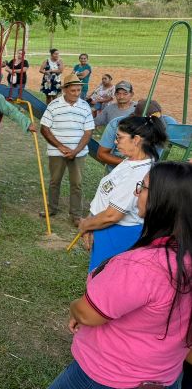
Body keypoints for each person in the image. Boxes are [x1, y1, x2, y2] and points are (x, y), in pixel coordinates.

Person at [49, 162, 192, 389]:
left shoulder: (141, 266)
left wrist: (77, 307)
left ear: (162, 201)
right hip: (166, 376)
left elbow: (87, 314)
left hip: (108, 375)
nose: (137, 193)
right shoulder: (182, 256)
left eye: (142, 187)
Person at [78, 115, 167, 271]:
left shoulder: (138, 174)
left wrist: (85, 224)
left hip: (117, 234)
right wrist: (92, 222)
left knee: (105, 281)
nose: (115, 141)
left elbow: (112, 215)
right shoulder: (130, 161)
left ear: (136, 140)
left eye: (119, 138)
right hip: (104, 228)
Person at [40, 74, 94, 226]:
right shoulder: (54, 105)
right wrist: (60, 146)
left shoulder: (84, 106)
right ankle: (51, 208)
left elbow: (88, 131)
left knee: (77, 183)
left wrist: (76, 150)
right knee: (54, 181)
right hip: (57, 152)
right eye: (73, 91)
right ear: (65, 90)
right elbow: (44, 128)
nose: (76, 94)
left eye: (79, 90)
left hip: (79, 153)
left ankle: (76, 215)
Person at [98, 100, 178, 173]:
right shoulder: (116, 124)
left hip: (147, 175)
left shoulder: (169, 123)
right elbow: (101, 154)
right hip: (119, 172)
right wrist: (131, 163)